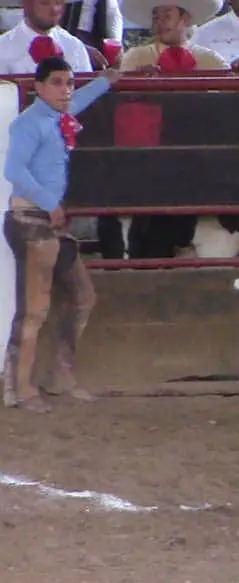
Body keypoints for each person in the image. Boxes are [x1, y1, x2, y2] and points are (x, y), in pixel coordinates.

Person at [3, 57, 121, 414]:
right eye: (57, 82)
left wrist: (107, 80)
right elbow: (13, 169)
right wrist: (50, 202)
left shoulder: (53, 115)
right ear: (38, 87)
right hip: (33, 218)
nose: (66, 89)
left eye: (69, 82)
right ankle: (22, 388)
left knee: (82, 297)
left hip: (42, 219)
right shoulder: (31, 123)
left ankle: (54, 378)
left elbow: (79, 101)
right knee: (35, 309)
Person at [119, 0, 231, 72]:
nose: (160, 22)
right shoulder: (136, 57)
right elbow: (120, 99)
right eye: (156, 17)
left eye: (167, 16)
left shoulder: (211, 60)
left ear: (186, 18)